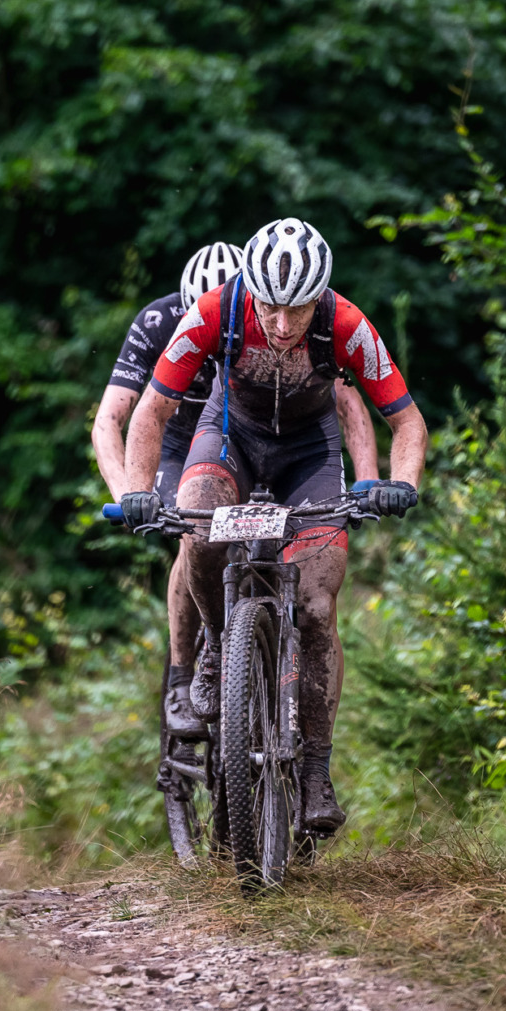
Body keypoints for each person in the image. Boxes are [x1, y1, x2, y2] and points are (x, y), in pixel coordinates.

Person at [117, 218, 428, 834]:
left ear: (321, 297)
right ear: (248, 289)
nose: (284, 326)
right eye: (270, 307)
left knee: (316, 607)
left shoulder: (348, 326)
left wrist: (400, 486)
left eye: (299, 309)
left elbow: (408, 422)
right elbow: (150, 413)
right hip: (229, 437)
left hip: (309, 455)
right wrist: (134, 492)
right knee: (198, 530)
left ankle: (315, 772)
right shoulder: (212, 312)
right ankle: (213, 649)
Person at [92, 241, 380, 742]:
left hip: (251, 433)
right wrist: (130, 494)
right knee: (194, 534)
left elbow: (348, 405)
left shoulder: (277, 321)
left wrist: (369, 480)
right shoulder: (162, 322)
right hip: (177, 438)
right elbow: (112, 420)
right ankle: (185, 675)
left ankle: (258, 652)